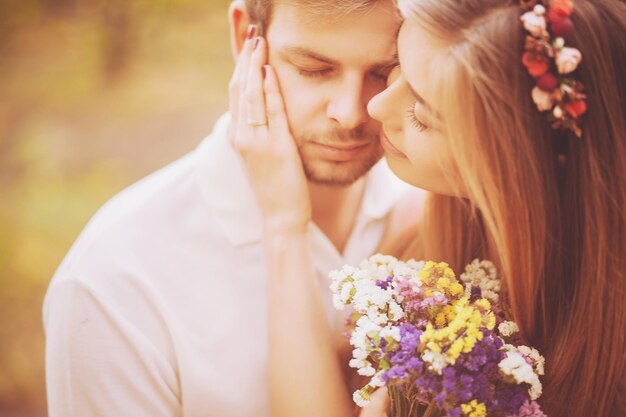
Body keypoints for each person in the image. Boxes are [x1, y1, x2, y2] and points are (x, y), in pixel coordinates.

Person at [235, 0, 626, 416]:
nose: (372, 108)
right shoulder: (420, 250)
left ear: (511, 165)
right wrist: (285, 225)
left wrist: (284, 229)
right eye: (398, 70)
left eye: (421, 113)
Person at [43, 1, 423, 416]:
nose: (350, 113)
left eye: (384, 72)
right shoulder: (116, 279)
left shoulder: (437, 208)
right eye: (314, 69)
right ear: (246, 37)